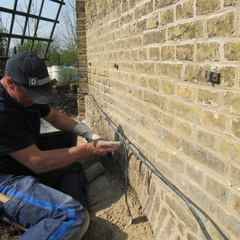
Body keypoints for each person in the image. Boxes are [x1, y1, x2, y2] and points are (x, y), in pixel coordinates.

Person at [0, 52, 120, 239]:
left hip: (24, 167)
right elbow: (37, 162)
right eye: (32, 95)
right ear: (10, 83)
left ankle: (78, 225)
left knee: (70, 166)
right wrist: (89, 149)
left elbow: (54, 117)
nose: (35, 100)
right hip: (6, 181)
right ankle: (74, 221)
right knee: (72, 216)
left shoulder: (23, 94)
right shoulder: (2, 111)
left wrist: (88, 134)